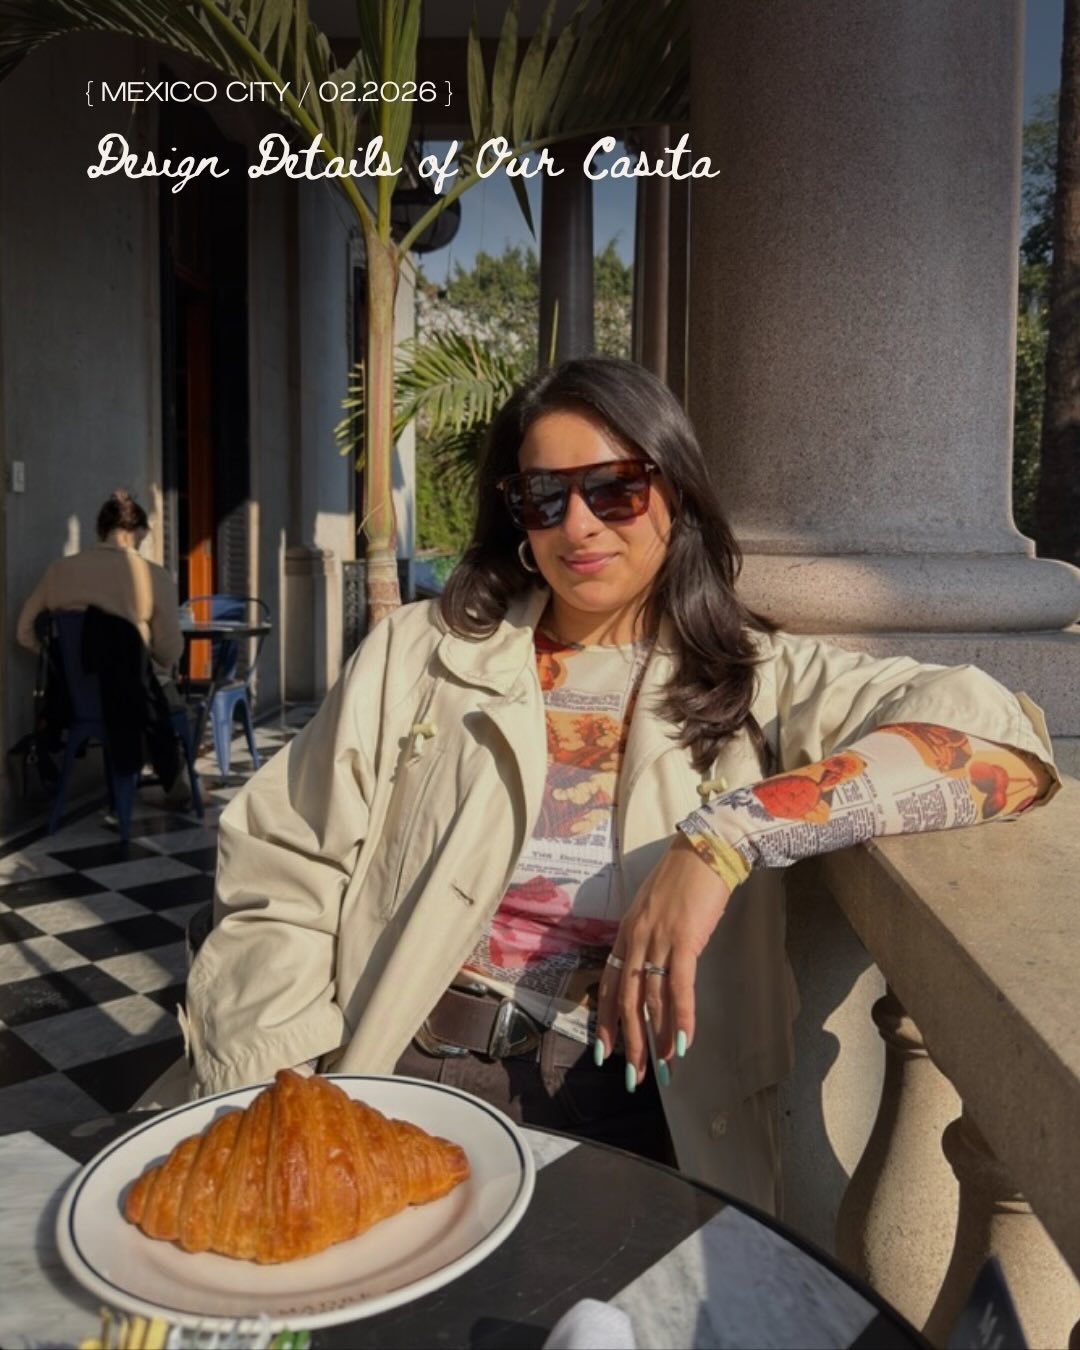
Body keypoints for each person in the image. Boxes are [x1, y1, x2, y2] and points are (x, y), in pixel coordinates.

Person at [182, 359, 1058, 1214]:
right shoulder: (418, 656)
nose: (577, 525)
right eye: (543, 496)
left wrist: (725, 839)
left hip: (637, 1103)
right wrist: (276, 1081)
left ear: (676, 493)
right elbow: (284, 864)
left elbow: (998, 741)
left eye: (614, 489)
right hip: (408, 1067)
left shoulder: (757, 679)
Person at [16, 489, 192, 809]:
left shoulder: (59, 571)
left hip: (74, 698)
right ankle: (173, 775)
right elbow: (169, 652)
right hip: (133, 697)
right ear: (138, 532)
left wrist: (60, 662)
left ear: (101, 530)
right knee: (168, 697)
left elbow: (23, 631)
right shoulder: (153, 575)